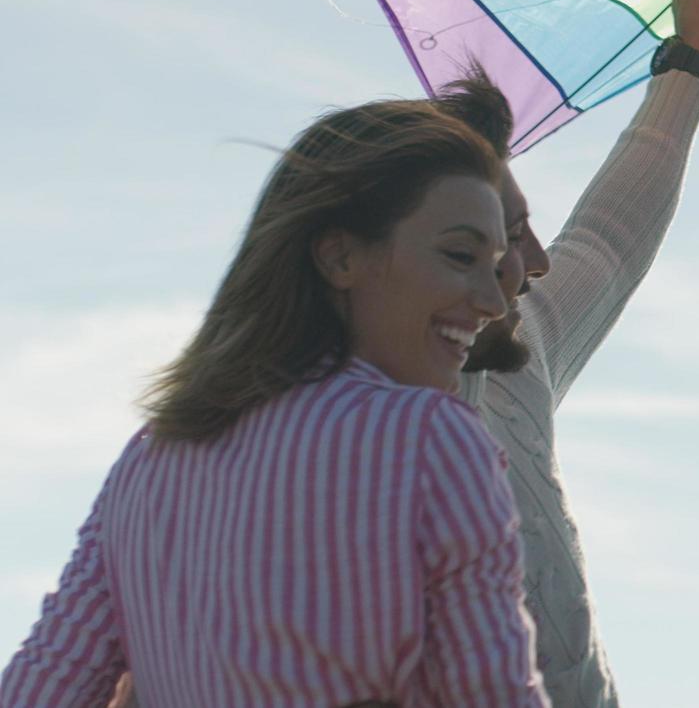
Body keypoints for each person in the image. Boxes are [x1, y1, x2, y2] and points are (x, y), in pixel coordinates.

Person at [0, 100, 548, 706]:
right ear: (339, 256)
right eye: (460, 256)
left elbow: (40, 688)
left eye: (495, 265)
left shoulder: (150, 457)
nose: (491, 301)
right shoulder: (431, 439)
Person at [431, 0, 699, 706]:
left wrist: (695, 53)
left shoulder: (513, 344)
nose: (536, 262)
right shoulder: (288, 445)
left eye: (522, 229)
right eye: (493, 239)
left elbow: (608, 240)